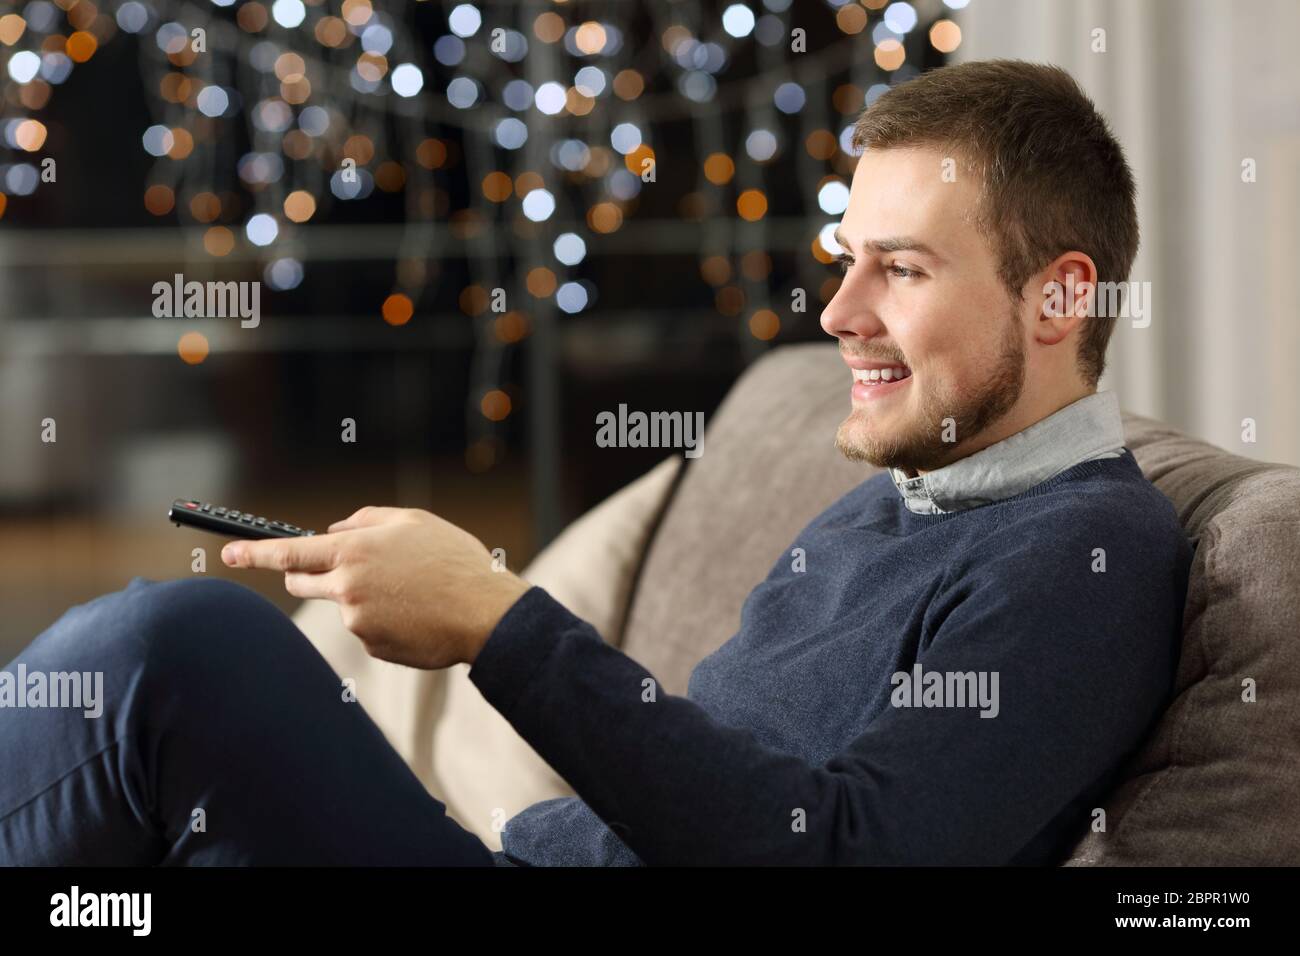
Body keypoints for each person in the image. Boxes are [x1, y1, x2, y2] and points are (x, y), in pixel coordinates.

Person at [0, 59, 1191, 866]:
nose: (838, 312)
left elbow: (847, 852)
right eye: (846, 261)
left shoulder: (1086, 553)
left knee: (176, 652)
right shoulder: (899, 497)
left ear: (1059, 295)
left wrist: (499, 622)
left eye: (903, 269)